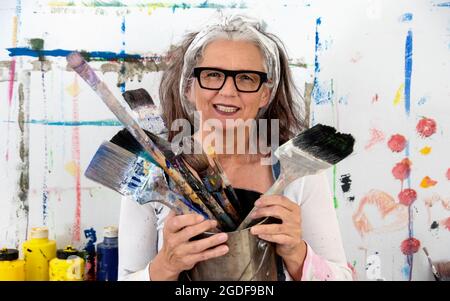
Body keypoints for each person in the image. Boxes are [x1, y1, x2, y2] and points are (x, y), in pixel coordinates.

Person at [118, 15, 352, 281]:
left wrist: (298, 254)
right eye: (213, 75)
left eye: (247, 78)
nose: (228, 91)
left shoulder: (302, 177)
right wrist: (165, 266)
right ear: (189, 87)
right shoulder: (151, 173)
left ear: (265, 93)